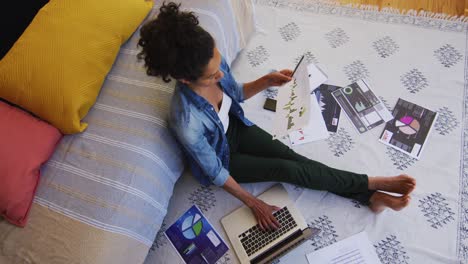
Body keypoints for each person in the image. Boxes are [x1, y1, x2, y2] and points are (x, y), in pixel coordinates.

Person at [138, 2, 416, 231]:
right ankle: (372, 184)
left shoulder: (210, 57)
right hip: (225, 159)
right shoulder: (186, 121)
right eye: (212, 76)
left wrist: (267, 81)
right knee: (288, 170)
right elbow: (215, 172)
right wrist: (252, 202)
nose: (220, 73)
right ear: (185, 80)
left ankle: (371, 197)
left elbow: (236, 93)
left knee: (294, 159)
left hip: (236, 127)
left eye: (217, 62)